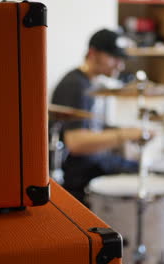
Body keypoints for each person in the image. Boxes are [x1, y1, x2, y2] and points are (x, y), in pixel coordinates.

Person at [51, 29, 145, 205]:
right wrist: (126, 135)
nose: (120, 65)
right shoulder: (74, 85)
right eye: (113, 58)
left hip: (92, 163)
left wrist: (124, 133)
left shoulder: (88, 82)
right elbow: (76, 143)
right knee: (143, 174)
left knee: (140, 166)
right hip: (78, 173)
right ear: (93, 53)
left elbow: (91, 127)